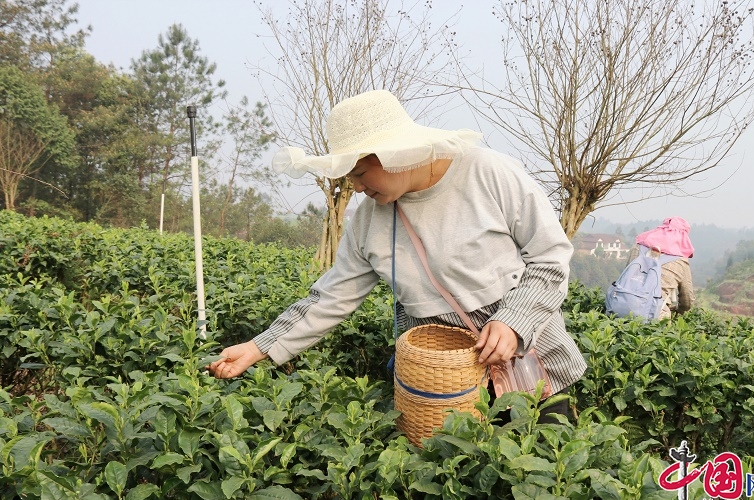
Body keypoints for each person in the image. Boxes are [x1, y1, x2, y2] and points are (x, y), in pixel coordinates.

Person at [207, 90, 586, 419]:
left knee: (538, 480)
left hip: (526, 362)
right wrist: (258, 347)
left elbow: (550, 256)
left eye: (358, 173)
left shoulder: (487, 173)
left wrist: (513, 322)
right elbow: (331, 297)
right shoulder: (369, 220)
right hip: (437, 379)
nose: (355, 188)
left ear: (391, 155)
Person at [628, 217, 696, 320]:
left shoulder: (637, 247)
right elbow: (687, 301)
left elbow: (626, 276)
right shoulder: (680, 261)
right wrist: (679, 310)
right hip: (657, 314)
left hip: (625, 304)